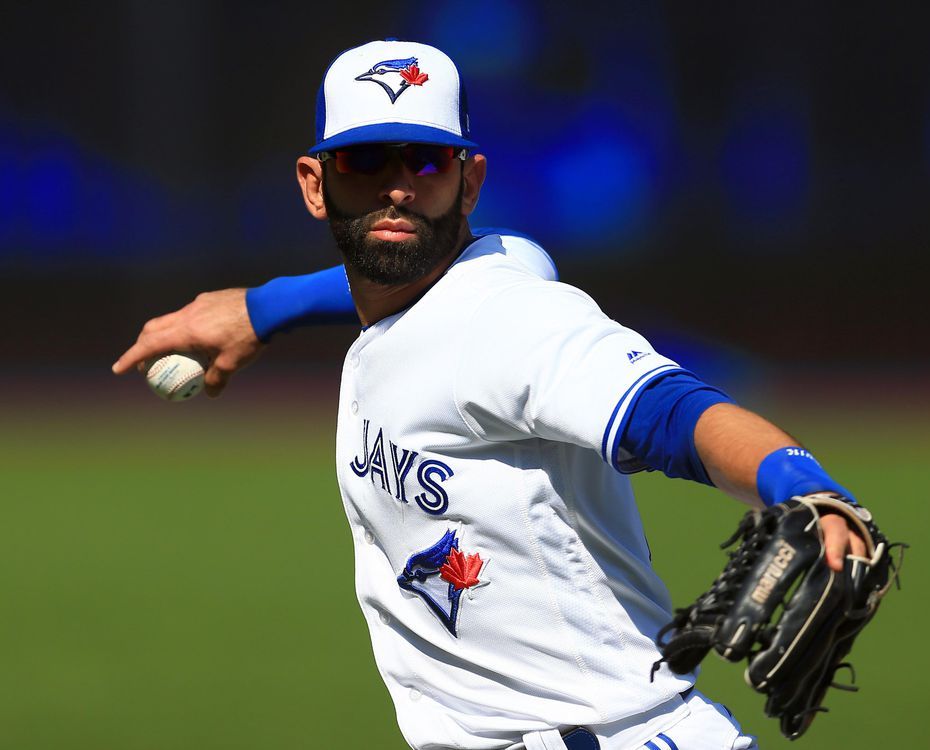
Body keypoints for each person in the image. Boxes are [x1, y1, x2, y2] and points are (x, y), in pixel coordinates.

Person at [113, 39, 867, 750]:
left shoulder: (517, 319)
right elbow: (396, 268)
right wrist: (264, 307)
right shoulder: (497, 265)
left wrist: (800, 482)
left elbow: (667, 411)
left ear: (469, 179)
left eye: (428, 162)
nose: (398, 186)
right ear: (316, 185)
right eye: (364, 162)